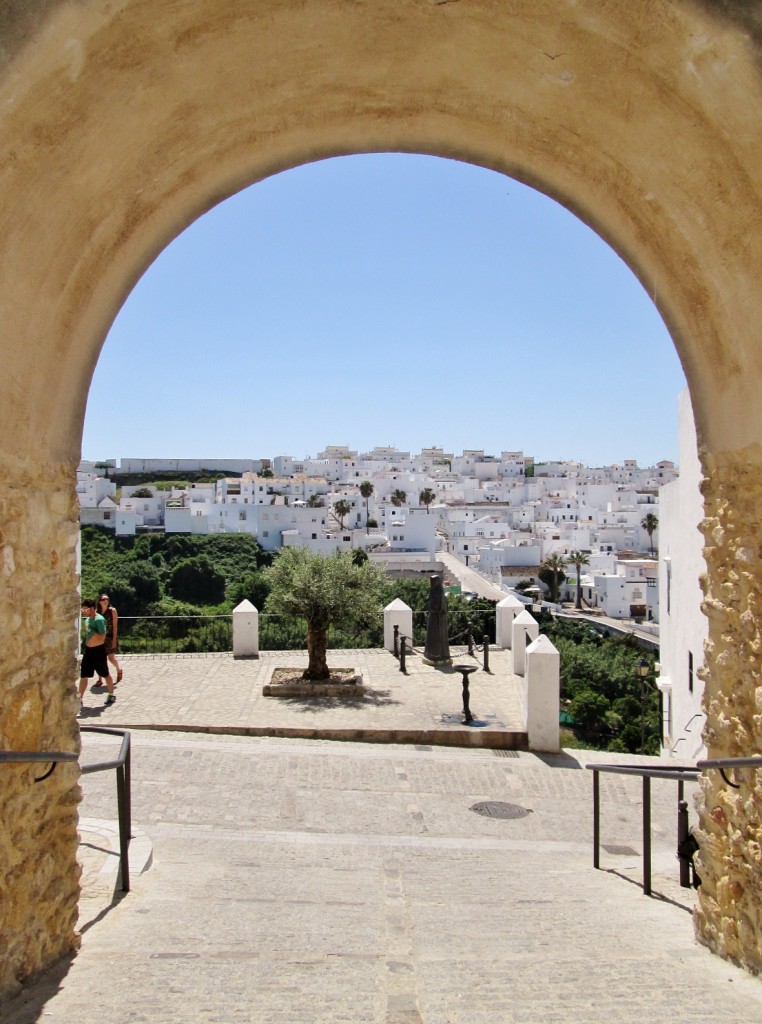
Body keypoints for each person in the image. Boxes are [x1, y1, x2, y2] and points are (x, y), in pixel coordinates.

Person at [78, 599, 115, 711]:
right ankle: (79, 698)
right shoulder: (88, 620)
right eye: (82, 609)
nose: (84, 611)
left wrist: (94, 634)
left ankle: (111, 694)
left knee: (105, 673)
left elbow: (103, 637)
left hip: (98, 651)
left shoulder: (99, 619)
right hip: (88, 651)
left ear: (92, 608)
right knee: (84, 675)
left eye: (85, 609)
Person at [97, 593, 123, 684]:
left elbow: (115, 627)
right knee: (100, 659)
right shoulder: (98, 612)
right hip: (100, 638)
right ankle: (100, 679)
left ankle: (119, 670)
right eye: (103, 599)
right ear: (99, 601)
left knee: (111, 658)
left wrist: (114, 641)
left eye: (107, 599)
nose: (106, 601)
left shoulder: (112, 611)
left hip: (110, 637)